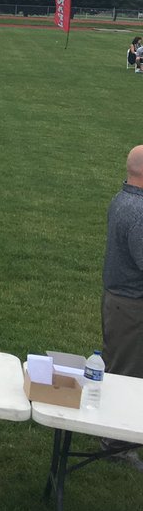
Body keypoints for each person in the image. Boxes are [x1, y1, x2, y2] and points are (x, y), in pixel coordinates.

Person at [100, 146, 143, 469]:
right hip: (131, 307)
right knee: (127, 375)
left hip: (121, 302)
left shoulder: (122, 199)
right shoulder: (138, 212)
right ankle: (117, 446)